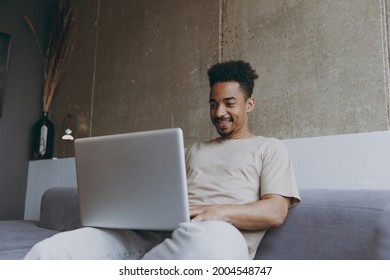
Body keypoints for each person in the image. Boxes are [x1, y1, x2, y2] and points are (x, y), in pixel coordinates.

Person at [24, 60, 300, 260]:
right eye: (213, 104)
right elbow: (164, 195)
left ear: (249, 104)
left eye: (229, 103)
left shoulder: (270, 148)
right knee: (49, 252)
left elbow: (274, 212)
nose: (219, 112)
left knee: (215, 241)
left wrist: (216, 212)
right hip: (159, 235)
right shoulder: (193, 149)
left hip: (215, 237)